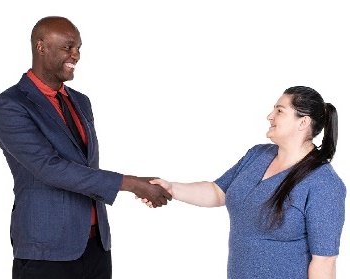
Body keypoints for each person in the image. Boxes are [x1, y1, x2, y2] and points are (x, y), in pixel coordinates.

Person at [0, 16, 172, 279]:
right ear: (41, 46)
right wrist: (131, 183)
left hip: (96, 246)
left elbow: (84, 166)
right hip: (46, 250)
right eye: (68, 47)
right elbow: (50, 168)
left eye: (79, 48)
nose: (76, 55)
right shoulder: (10, 105)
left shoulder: (80, 101)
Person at [143, 86, 346, 278]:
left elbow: (325, 262)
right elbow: (217, 191)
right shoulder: (258, 155)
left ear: (303, 122)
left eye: (280, 111)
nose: (270, 116)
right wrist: (171, 188)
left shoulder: (323, 183)